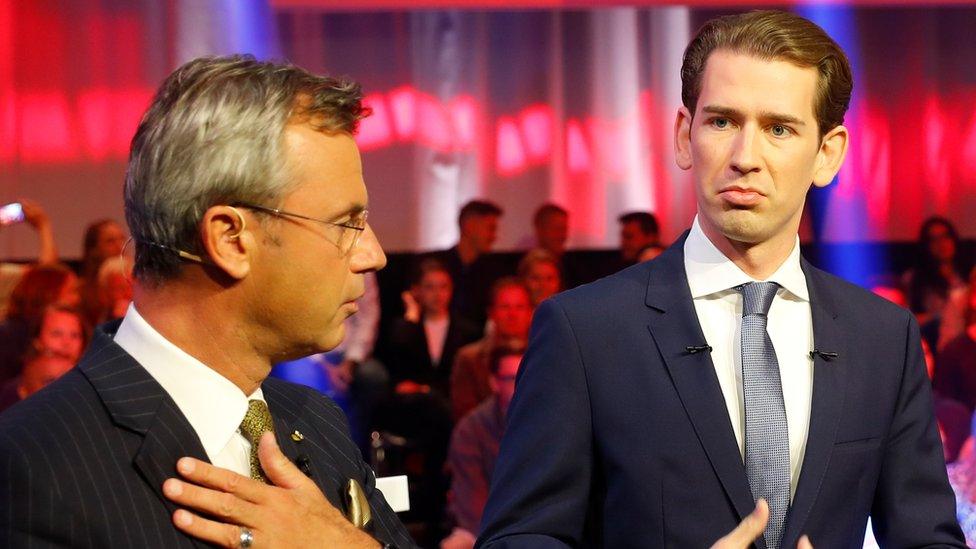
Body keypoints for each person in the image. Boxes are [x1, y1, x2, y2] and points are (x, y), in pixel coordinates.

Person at [478, 10, 964, 548]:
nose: (744, 157)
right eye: (722, 122)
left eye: (779, 128)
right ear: (685, 136)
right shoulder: (583, 331)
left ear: (828, 155)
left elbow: (928, 540)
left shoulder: (883, 337)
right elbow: (519, 539)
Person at [0, 55, 414, 548]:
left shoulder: (313, 419)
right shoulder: (31, 464)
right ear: (231, 239)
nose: (374, 254)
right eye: (346, 224)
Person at [441, 346, 523, 549]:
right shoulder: (472, 429)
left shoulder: (552, 421)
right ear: (494, 382)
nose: (523, 386)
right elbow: (472, 502)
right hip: (485, 523)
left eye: (528, 376)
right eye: (513, 379)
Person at [451, 278, 532, 421]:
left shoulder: (546, 356)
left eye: (520, 307)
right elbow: (464, 415)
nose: (512, 315)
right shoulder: (468, 359)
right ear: (491, 313)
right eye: (505, 307)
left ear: (530, 313)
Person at [431, 200, 506, 331]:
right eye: (490, 228)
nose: (494, 237)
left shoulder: (495, 272)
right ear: (469, 226)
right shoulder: (438, 266)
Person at [0, 263, 79, 383]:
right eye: (71, 291)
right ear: (49, 293)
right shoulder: (10, 335)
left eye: (75, 336)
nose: (77, 298)